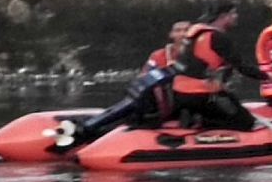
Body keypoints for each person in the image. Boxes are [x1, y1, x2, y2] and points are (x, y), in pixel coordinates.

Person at [54, 20, 191, 151]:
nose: (183, 34)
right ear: (171, 35)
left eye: (186, 30)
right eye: (178, 30)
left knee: (132, 105)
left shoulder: (194, 56)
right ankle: (89, 129)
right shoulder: (159, 55)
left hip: (181, 103)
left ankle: (88, 129)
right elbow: (144, 77)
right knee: (133, 100)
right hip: (154, 102)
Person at [170, 2, 272, 131]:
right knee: (245, 122)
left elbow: (194, 67)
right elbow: (241, 66)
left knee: (228, 101)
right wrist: (268, 76)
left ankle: (201, 120)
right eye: (233, 13)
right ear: (224, 16)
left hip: (179, 93)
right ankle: (206, 124)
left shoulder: (194, 35)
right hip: (201, 94)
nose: (236, 16)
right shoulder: (217, 38)